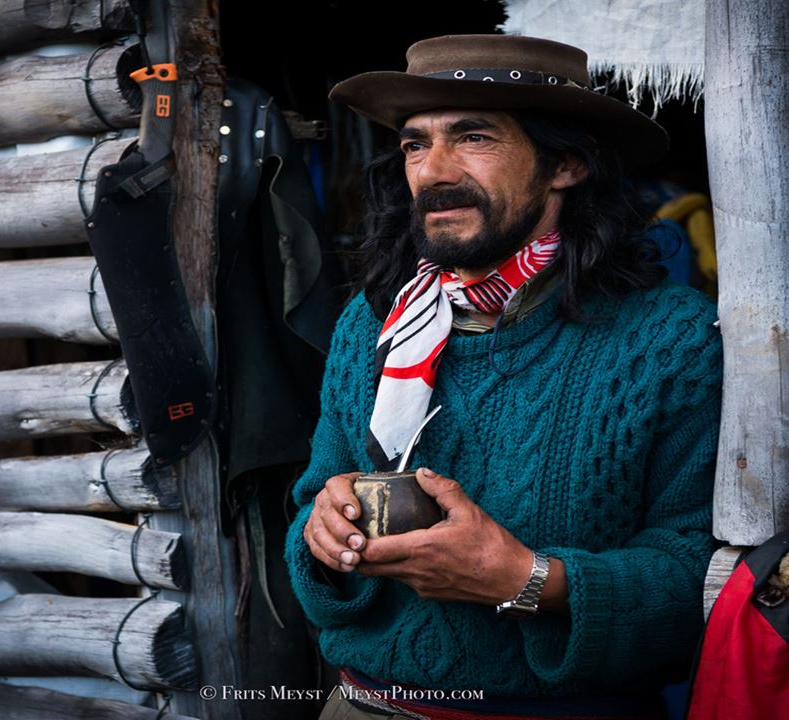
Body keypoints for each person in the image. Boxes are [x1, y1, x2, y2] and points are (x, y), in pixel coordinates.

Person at [284, 34, 724, 720]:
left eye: (473, 137)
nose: (433, 170)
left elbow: (702, 572)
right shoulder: (371, 326)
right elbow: (312, 502)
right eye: (414, 144)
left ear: (566, 164)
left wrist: (526, 580)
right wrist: (322, 532)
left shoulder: (668, 339)